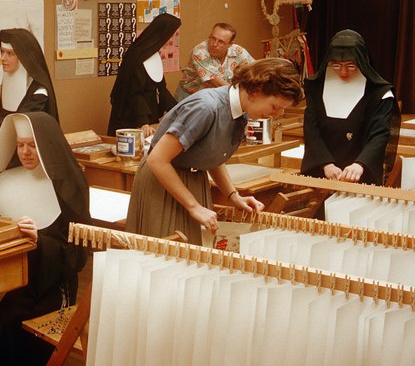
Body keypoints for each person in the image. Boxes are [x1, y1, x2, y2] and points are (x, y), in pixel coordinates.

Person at [0, 112, 91, 366]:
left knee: (2, 325)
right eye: (20, 144)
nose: (25, 152)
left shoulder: (68, 185)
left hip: (46, 284)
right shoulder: (3, 178)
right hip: (0, 276)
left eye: (33, 145)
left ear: (47, 144)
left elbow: (77, 256)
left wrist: (40, 241)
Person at [126, 58, 304, 245]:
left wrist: (233, 196)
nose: (275, 115)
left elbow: (213, 154)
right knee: (164, 256)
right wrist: (193, 206)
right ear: (255, 91)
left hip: (192, 180)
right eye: (275, 107)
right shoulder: (206, 107)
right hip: (164, 180)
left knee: (192, 253)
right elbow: (157, 160)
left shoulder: (240, 110)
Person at [301, 29, 399, 186]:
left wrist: (360, 165)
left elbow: (379, 134)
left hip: (360, 171)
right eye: (336, 65)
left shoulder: (379, 92)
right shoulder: (315, 87)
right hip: (322, 169)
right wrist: (326, 163)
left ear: (362, 62)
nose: (343, 72)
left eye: (351, 66)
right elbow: (311, 129)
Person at [107, 13, 180, 137]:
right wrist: (143, 122)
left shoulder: (153, 54)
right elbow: (135, 93)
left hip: (148, 117)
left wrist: (177, 110)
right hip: (132, 117)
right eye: (171, 35)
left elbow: (160, 88)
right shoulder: (136, 56)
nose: (171, 39)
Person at [175, 22, 255, 101]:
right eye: (213, 38)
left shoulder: (238, 51)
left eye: (220, 42)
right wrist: (243, 95)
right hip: (190, 96)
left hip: (218, 95)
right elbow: (217, 83)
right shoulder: (200, 52)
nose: (214, 44)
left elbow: (257, 70)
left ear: (230, 44)